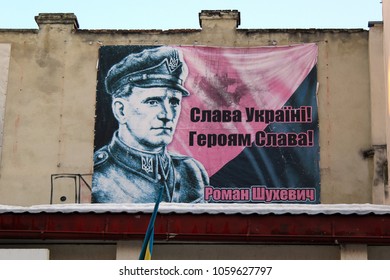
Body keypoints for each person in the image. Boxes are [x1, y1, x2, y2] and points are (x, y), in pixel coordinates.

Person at [91, 46, 209, 203]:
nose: (167, 115)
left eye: (174, 102)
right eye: (153, 101)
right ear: (121, 110)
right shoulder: (98, 176)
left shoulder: (192, 172)